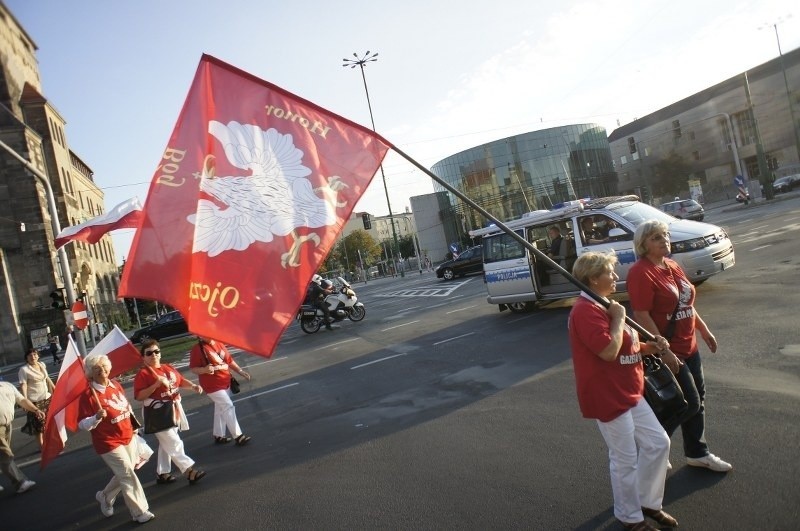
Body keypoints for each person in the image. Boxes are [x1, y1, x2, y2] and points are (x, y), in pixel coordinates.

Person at [568, 252, 677, 530]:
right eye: (610, 273)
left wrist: (653, 346)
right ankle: (630, 517)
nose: (616, 277)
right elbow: (607, 351)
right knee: (624, 458)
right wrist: (618, 318)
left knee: (658, 443)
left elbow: (628, 346)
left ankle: (648, 502)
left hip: (630, 390)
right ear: (593, 278)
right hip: (607, 396)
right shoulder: (585, 310)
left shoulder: (608, 305)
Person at [627, 220, 732, 473]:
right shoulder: (641, 272)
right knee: (686, 403)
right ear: (643, 245)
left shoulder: (672, 265)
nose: (664, 240)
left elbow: (686, 303)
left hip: (690, 346)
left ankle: (697, 453)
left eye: (665, 235)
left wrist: (704, 330)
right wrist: (665, 351)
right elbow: (641, 315)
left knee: (699, 400)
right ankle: (656, 447)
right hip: (669, 350)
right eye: (655, 238)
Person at [79, 354, 154, 523]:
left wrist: (136, 428)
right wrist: (96, 417)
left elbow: (126, 409)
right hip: (108, 442)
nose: (102, 370)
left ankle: (105, 496)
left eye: (104, 366)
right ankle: (139, 512)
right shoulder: (89, 395)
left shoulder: (115, 385)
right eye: (97, 368)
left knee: (126, 471)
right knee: (127, 474)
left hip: (128, 435)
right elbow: (82, 424)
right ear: (90, 373)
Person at [134, 339, 206, 485]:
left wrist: (193, 386)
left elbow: (179, 381)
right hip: (156, 413)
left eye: (156, 351)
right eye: (149, 353)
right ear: (144, 357)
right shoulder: (143, 374)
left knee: (166, 443)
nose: (153, 355)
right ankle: (189, 470)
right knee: (174, 442)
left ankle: (162, 473)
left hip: (172, 409)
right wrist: (155, 385)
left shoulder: (168, 368)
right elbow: (139, 396)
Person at [189, 337, 252, 446]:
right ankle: (238, 436)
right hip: (211, 384)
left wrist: (241, 371)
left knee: (220, 408)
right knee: (228, 406)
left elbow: (229, 361)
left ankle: (219, 435)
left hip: (225, 381)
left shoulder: (219, 344)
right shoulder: (197, 349)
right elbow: (193, 368)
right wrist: (204, 370)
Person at [0, 381, 43, 494]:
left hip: (7, 425)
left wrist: (35, 410)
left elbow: (22, 400)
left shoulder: (7, 386)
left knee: (2, 455)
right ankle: (20, 483)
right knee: (6, 455)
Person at [18, 348, 55, 449]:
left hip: (47, 397)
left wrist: (54, 388)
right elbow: (23, 385)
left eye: (35, 354)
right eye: (30, 355)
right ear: (26, 358)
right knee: (38, 424)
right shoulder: (24, 370)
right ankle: (42, 446)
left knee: (49, 421)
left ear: (38, 356)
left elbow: (47, 378)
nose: (33, 357)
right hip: (34, 401)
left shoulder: (42, 365)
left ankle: (50, 442)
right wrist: (25, 401)